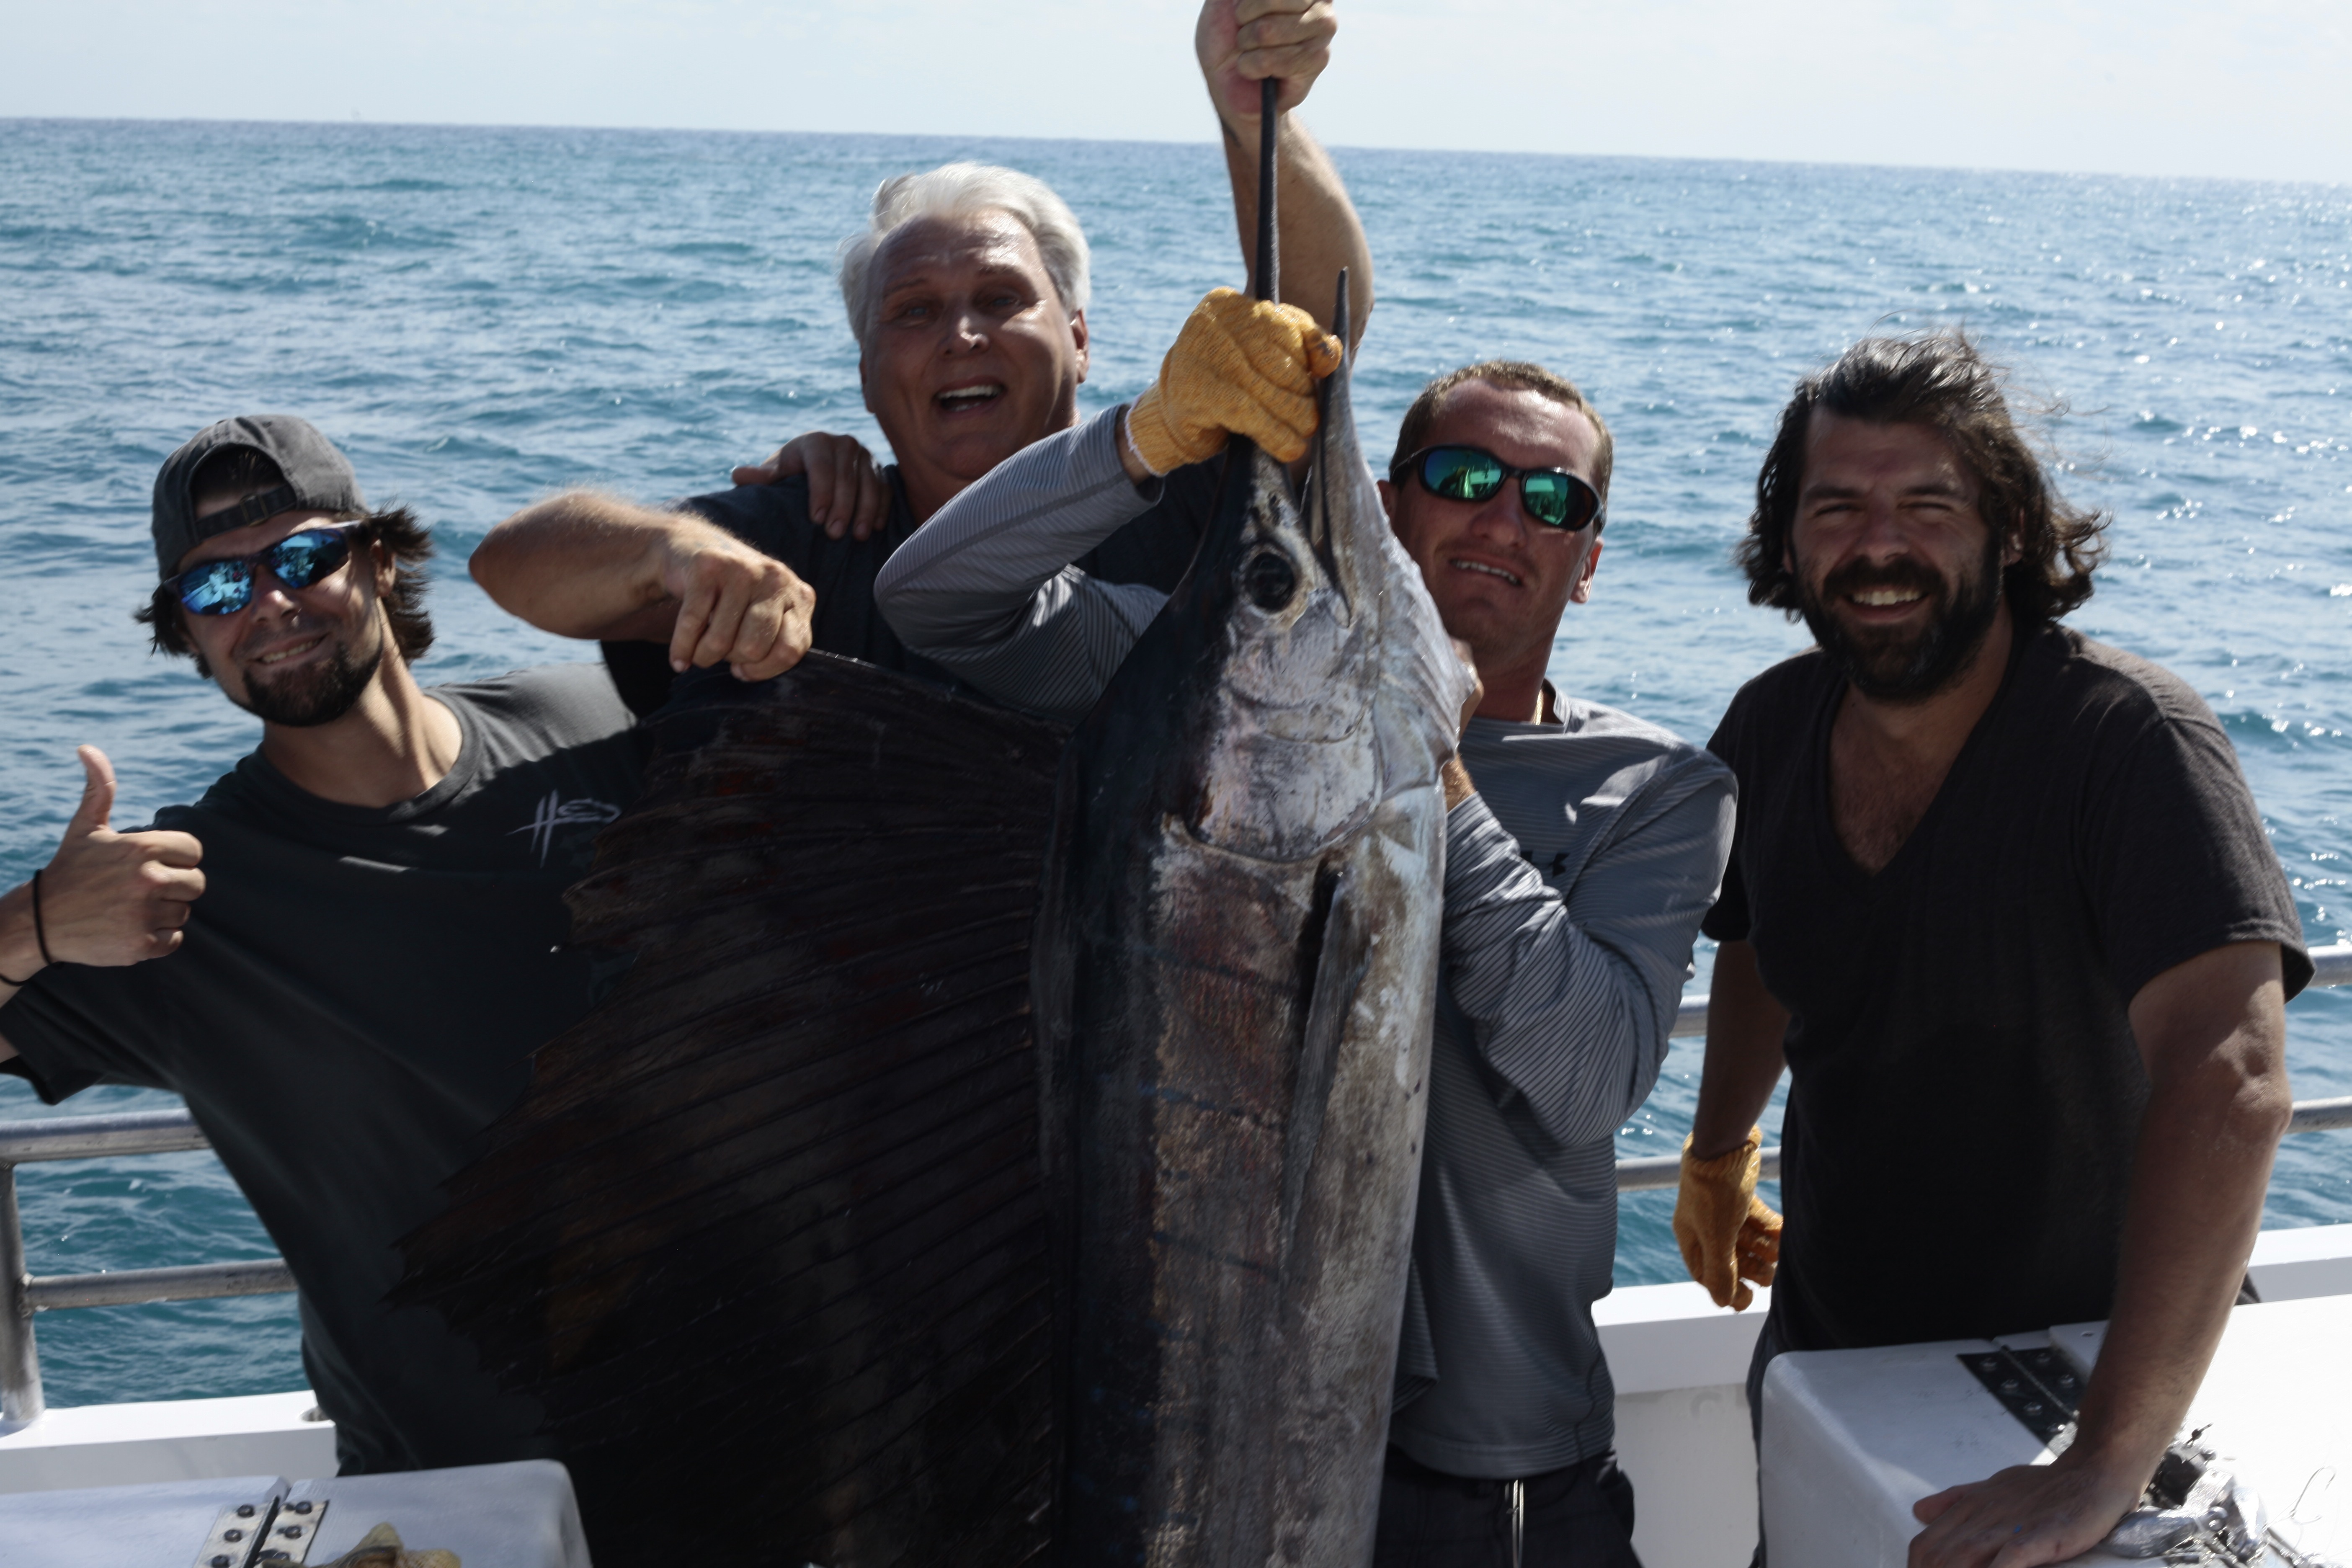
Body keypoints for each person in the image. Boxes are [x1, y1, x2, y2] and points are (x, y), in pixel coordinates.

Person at [870, 331, 1736, 1565]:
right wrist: (1136, 440)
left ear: (1587, 561)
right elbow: (935, 596)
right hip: (1188, 1436)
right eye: (1462, 475)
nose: (1504, 515)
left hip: (1499, 1479)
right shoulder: (1216, 681)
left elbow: (1590, 1073)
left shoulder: (1657, 789)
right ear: (1389, 508)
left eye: (1553, 499)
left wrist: (1429, 772)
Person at [1674, 333, 2307, 1568]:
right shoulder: (1767, 727)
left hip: (2092, 1386)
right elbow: (1752, 937)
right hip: (1833, 1363)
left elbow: (2232, 1080)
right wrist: (1716, 1147)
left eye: (1928, 505)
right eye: (1837, 508)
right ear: (1789, 539)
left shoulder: (2129, 744)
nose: (1878, 545)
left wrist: (2102, 1465)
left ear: (2010, 529)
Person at [0, 415, 679, 1475]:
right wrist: (33, 925)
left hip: (753, 1424)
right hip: (457, 1498)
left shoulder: (591, 724)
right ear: (187, 630)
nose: (268, 603)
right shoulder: (180, 897)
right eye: (216, 588)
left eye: (302, 556)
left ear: (378, 556)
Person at [467, 0, 1370, 703]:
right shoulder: (819, 531)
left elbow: (1307, 345)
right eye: (914, 312)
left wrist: (1261, 123)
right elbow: (510, 567)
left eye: (1002, 299)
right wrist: (676, 554)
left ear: (1081, 339)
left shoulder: (1189, 503)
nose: (961, 334)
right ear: (865, 377)